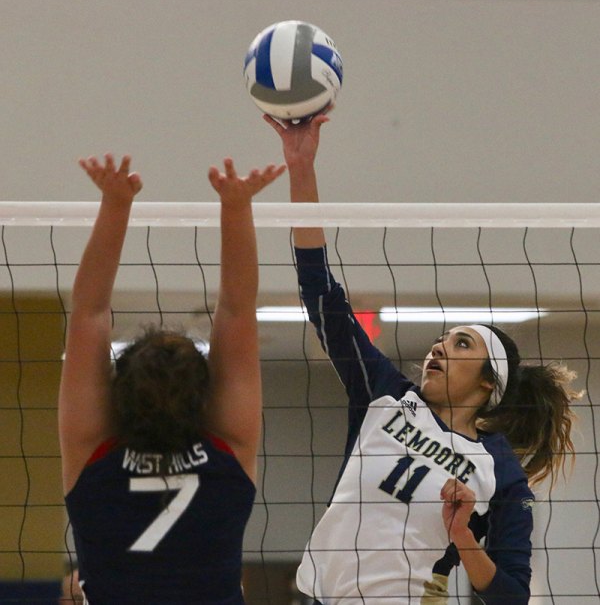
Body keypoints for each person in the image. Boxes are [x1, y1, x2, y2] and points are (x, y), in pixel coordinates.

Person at [265, 113, 579, 604]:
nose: (439, 346)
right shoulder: (385, 395)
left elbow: (512, 596)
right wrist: (300, 165)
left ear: (486, 385)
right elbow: (319, 291)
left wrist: (464, 537)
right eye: (443, 338)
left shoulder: (497, 468)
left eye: (461, 345)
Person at [59, 153, 285, 604]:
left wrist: (115, 205)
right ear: (206, 397)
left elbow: (88, 312)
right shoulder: (227, 453)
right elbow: (238, 310)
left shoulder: (93, 457)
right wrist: (237, 207)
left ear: (117, 395)